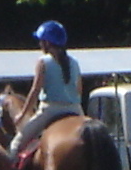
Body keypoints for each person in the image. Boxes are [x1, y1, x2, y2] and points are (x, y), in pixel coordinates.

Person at [9, 20, 82, 158]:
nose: (39, 44)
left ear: (47, 43)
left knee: (16, 145)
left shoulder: (43, 61)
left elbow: (35, 90)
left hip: (50, 109)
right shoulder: (74, 62)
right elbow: (79, 90)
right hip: (75, 108)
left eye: (41, 41)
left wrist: (22, 115)